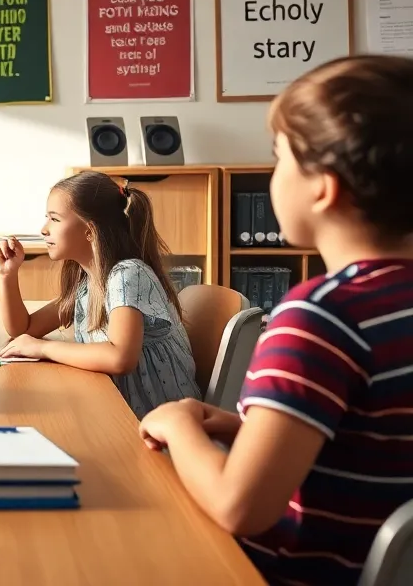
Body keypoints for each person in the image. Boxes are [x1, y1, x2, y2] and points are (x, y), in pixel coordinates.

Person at [138, 55, 413, 586]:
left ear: (322, 187)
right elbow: (376, 442)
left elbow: (240, 507)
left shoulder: (322, 318)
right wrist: (251, 428)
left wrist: (176, 425)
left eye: (278, 156)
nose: (271, 174)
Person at [0, 171, 199, 418]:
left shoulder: (127, 274)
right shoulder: (87, 282)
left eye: (54, 219)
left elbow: (121, 357)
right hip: (114, 409)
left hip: (156, 421)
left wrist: (43, 349)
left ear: (89, 231)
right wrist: (7, 275)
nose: (44, 229)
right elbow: (24, 329)